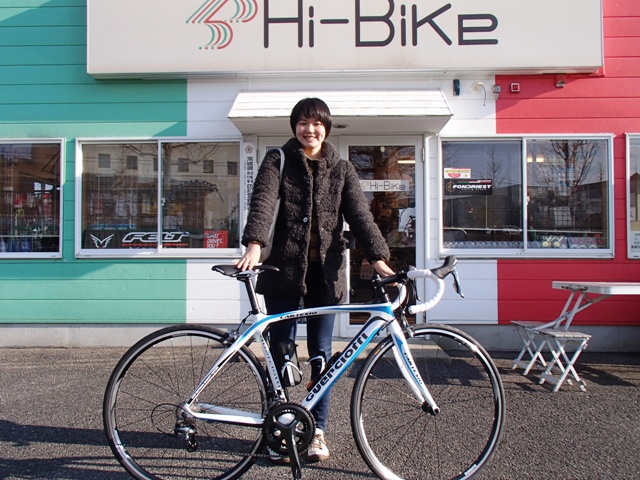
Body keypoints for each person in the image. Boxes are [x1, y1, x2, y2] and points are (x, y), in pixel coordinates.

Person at [236, 97, 394, 463]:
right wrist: (255, 245)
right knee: (280, 352)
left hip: (325, 276)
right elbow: (262, 202)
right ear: (295, 126)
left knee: (322, 356)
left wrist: (379, 258)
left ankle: (316, 430)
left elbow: (360, 215)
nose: (310, 129)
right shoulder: (277, 159)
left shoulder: (342, 169)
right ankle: (279, 429)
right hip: (282, 273)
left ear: (327, 128)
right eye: (303, 123)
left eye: (317, 123)